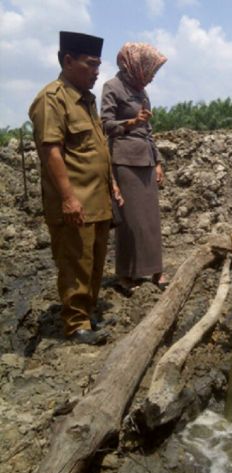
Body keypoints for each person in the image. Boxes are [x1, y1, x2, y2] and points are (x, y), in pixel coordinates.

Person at [29, 31, 123, 345]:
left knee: (94, 262)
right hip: (75, 201)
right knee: (75, 262)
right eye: (91, 64)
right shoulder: (52, 99)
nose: (97, 71)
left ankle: (89, 312)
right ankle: (76, 323)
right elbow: (51, 150)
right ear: (68, 61)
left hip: (96, 199)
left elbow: (95, 148)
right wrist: (68, 197)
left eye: (98, 64)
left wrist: (112, 185)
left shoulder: (86, 100)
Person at [100, 42, 168, 295]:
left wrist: (158, 161)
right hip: (124, 159)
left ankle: (155, 268)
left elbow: (148, 130)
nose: (151, 77)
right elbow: (105, 125)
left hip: (146, 160)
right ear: (136, 66)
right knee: (131, 221)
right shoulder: (112, 87)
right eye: (150, 71)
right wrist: (130, 121)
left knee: (150, 220)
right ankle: (126, 273)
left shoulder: (141, 91)